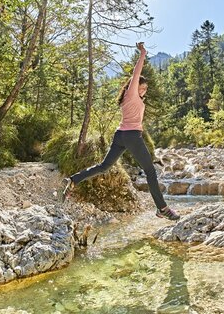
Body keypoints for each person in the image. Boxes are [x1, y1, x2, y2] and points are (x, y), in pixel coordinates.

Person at [59, 42, 180, 221]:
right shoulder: (131, 94)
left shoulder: (127, 98)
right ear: (134, 86)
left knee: (104, 166)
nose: (144, 90)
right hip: (131, 136)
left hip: (120, 135)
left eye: (146, 88)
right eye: (142, 87)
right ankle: (161, 208)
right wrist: (142, 54)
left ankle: (74, 180)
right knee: (150, 171)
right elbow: (136, 73)